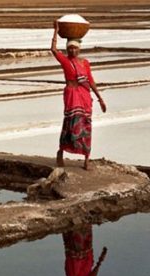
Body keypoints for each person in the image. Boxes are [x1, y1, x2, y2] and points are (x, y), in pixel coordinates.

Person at [50, 21, 106, 171]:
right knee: (71, 123)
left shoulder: (85, 63)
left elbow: (91, 81)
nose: (73, 51)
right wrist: (56, 31)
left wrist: (100, 98)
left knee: (86, 125)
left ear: (79, 49)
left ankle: (86, 158)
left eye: (75, 48)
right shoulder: (65, 61)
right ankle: (61, 152)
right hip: (71, 95)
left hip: (84, 96)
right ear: (67, 49)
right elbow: (53, 49)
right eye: (70, 48)